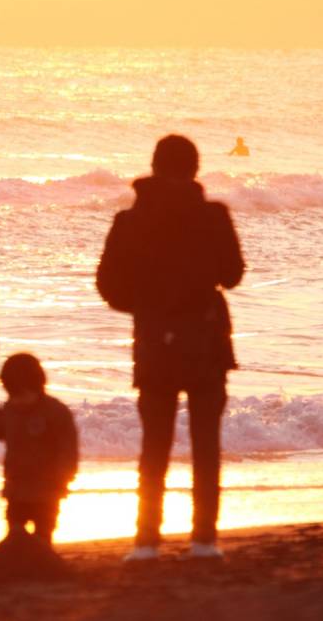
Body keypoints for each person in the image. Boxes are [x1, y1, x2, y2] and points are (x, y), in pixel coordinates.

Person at [96, 135, 245, 562]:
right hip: (206, 339)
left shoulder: (129, 221)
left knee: (154, 443)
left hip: (154, 340)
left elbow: (108, 285)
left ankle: (145, 542)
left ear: (154, 167)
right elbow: (233, 274)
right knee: (205, 443)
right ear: (195, 170)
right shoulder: (214, 216)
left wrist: (145, 307)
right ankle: (204, 541)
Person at [0, 353, 78, 545]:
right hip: (16, 489)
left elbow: (69, 451)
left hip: (47, 491)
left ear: (37, 387)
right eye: (12, 395)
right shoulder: (10, 410)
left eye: (21, 395)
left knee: (43, 537)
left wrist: (63, 478)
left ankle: (44, 565)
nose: (17, 401)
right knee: (15, 535)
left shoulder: (56, 412)